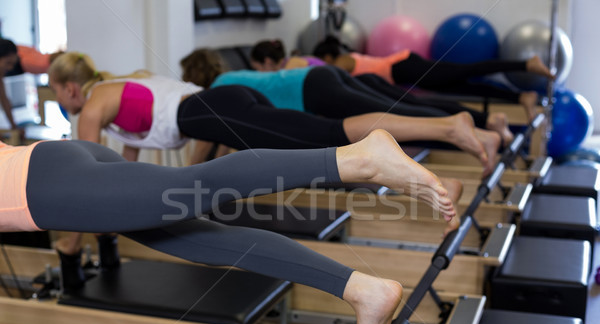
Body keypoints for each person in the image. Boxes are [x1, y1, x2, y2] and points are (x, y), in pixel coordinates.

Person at [0, 129, 457, 324]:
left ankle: (360, 159)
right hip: (49, 165)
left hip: (40, 187)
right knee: (198, 239)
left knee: (192, 187)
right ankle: (363, 289)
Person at [48, 51, 498, 174]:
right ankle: (445, 127)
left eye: (56, 94)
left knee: (328, 133)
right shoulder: (123, 91)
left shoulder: (92, 106)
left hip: (214, 111)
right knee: (320, 134)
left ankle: (446, 125)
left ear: (70, 87)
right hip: (225, 103)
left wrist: (71, 241)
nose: (64, 105)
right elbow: (127, 165)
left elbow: (95, 173)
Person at [181, 47, 513, 147]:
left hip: (312, 88)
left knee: (389, 118)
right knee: (397, 108)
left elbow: (213, 141)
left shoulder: (217, 92)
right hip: (317, 78)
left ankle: (472, 133)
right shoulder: (230, 79)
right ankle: (482, 125)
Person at [311, 36, 555, 122]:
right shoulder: (338, 60)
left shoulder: (340, 62)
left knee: (466, 70)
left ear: (328, 56)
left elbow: (339, 78)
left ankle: (526, 63)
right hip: (406, 74)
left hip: (404, 67)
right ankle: (521, 96)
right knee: (464, 87)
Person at [0, 39, 64, 140]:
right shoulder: (34, 63)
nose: (10, 68)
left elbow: (4, 100)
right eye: (8, 63)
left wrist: (14, 127)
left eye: (12, 64)